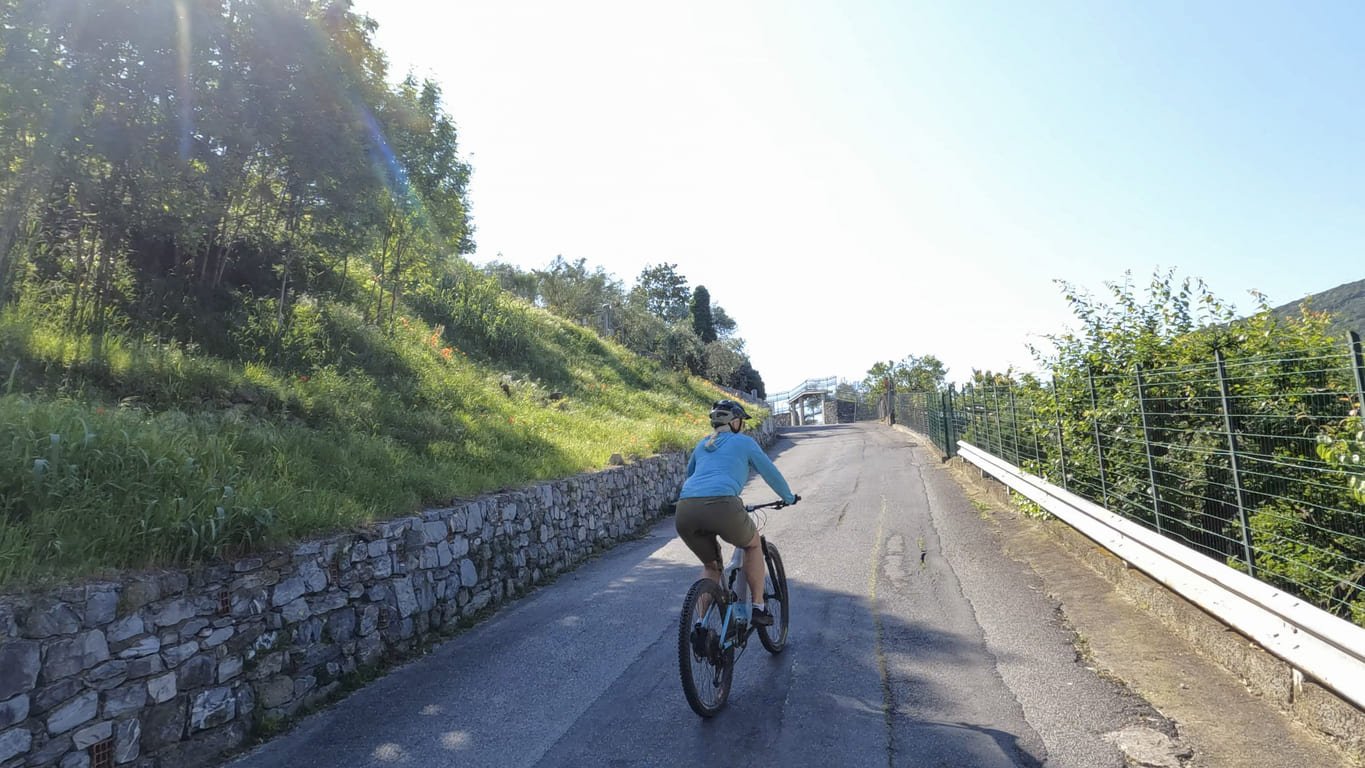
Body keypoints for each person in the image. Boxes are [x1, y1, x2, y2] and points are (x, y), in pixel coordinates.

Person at [675, 399, 799, 626]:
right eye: (741, 421)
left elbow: (691, 476)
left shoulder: (702, 445)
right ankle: (759, 607)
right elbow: (769, 472)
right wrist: (788, 497)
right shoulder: (744, 442)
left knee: (711, 567)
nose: (742, 425)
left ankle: (701, 625)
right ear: (734, 422)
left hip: (685, 509)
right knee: (752, 545)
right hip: (723, 504)